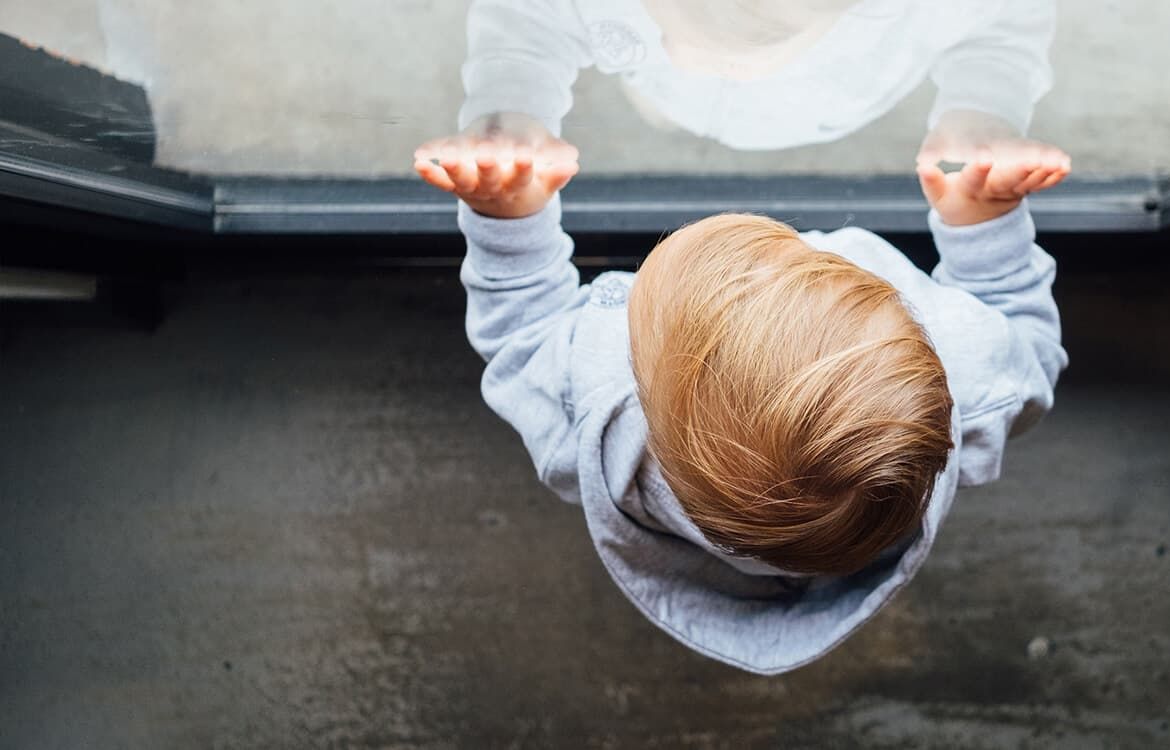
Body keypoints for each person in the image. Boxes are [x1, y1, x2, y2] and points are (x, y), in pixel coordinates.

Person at [411, 133, 1068, 674]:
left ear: (642, 382)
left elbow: (525, 336)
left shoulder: (596, 412)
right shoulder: (967, 367)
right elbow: (1028, 347)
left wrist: (508, 217)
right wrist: (984, 225)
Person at [437, 0, 1069, 174]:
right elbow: (525, 22)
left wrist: (980, 109)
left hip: (836, 104)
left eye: (746, 48)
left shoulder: (925, 10)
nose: (713, 65)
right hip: (661, 94)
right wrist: (509, 106)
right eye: (668, 23)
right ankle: (664, 107)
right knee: (662, 107)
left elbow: (1005, 27)